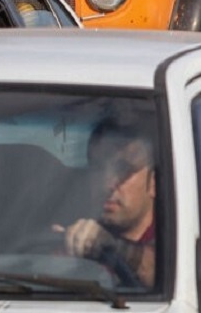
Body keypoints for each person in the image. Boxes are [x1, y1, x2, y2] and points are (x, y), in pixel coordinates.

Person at [56, 118, 158, 288]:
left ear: (154, 182)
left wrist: (112, 248)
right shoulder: (74, 238)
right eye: (98, 168)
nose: (107, 183)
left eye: (124, 169)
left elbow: (186, 278)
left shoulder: (181, 239)